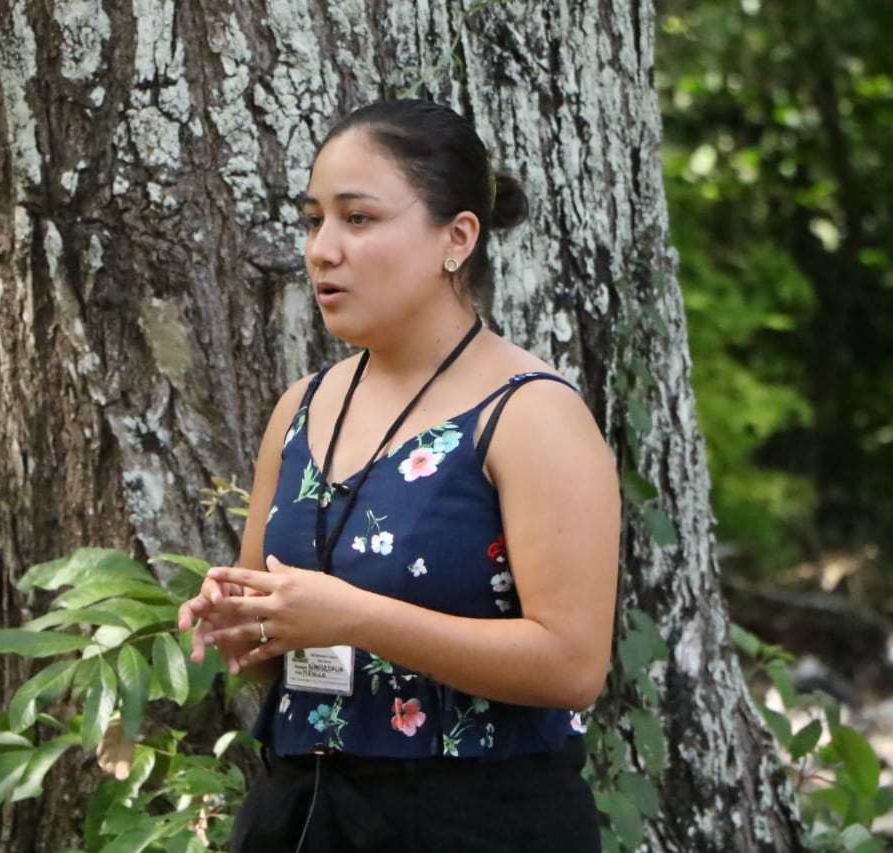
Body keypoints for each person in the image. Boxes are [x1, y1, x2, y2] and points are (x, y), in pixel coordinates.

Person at [177, 99, 620, 852]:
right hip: (300, 810)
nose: (322, 249)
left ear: (457, 238)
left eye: (358, 218)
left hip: (475, 820)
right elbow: (273, 650)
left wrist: (353, 617)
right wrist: (243, 623)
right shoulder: (302, 407)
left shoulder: (529, 413)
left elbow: (573, 666)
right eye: (313, 220)